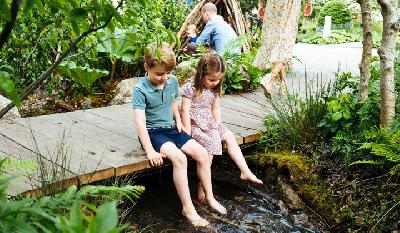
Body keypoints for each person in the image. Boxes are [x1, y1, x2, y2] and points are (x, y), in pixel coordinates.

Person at [132, 43, 226, 227]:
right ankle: (188, 208)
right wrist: (150, 150)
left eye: (167, 73)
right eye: (159, 74)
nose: (164, 78)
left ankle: (210, 197)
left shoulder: (172, 81)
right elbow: (140, 123)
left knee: (202, 154)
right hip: (153, 133)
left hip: (172, 129)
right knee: (180, 159)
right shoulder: (140, 90)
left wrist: (180, 122)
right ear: (146, 67)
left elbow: (174, 103)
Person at [181, 52, 263, 203]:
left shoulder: (214, 89)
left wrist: (218, 125)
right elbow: (185, 110)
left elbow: (215, 109)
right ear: (201, 74)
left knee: (230, 136)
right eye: (211, 79)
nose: (215, 82)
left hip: (210, 122)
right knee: (209, 151)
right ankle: (202, 189)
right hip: (195, 125)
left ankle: (245, 171)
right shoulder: (190, 87)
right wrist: (186, 129)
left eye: (218, 79)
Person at [254, 0, 302, 97]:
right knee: (285, 43)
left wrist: (262, 4)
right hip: (291, 5)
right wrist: (309, 3)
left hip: (274, 4)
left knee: (276, 43)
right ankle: (270, 78)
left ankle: (282, 86)